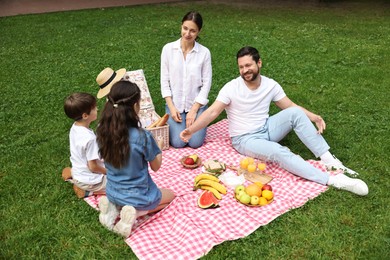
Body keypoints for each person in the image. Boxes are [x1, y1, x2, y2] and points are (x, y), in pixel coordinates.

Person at [180, 46, 369, 196]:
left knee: (295, 113)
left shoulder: (270, 85)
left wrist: (313, 116)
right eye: (241, 67)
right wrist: (192, 130)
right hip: (245, 139)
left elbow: (290, 105)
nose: (245, 70)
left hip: (267, 128)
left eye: (248, 65)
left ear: (259, 63)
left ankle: (329, 161)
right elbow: (212, 112)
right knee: (280, 152)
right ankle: (331, 180)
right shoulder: (231, 88)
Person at [96, 80, 175, 237]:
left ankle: (112, 209)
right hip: (138, 195)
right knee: (171, 195)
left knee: (121, 199)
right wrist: (158, 148)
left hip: (112, 191)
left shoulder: (101, 130)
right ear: (134, 107)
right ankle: (136, 213)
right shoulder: (142, 136)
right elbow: (156, 166)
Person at [160, 11, 212, 148]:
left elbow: (206, 84)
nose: (188, 33)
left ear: (199, 31)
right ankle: (178, 117)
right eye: (185, 28)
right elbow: (164, 81)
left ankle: (198, 114)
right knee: (178, 143)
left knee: (195, 143)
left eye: (193, 31)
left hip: (196, 105)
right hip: (175, 104)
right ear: (181, 26)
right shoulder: (168, 50)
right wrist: (171, 107)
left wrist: (194, 110)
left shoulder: (204, 53)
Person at [63, 92, 107, 198]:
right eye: (94, 108)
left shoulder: (75, 127)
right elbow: (93, 166)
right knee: (123, 185)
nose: (97, 109)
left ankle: (73, 175)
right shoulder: (89, 139)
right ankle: (87, 191)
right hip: (91, 181)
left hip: (79, 173)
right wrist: (108, 172)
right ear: (85, 115)